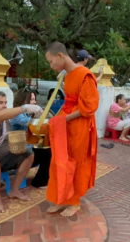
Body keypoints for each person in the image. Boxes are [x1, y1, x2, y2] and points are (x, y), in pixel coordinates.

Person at [45, 42, 99, 217]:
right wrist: (57, 119)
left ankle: (74, 202)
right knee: (59, 160)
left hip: (80, 126)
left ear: (60, 55)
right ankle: (61, 199)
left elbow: (88, 108)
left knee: (76, 163)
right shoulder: (68, 75)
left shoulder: (85, 75)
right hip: (66, 124)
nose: (51, 66)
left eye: (52, 62)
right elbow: (69, 102)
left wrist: (61, 120)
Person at [10, 90, 51, 189]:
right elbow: (33, 124)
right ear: (24, 101)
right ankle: (40, 182)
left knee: (50, 148)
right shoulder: (17, 115)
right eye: (32, 100)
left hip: (29, 147)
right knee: (47, 152)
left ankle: (45, 177)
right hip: (20, 151)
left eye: (34, 99)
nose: (34, 102)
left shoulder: (28, 114)